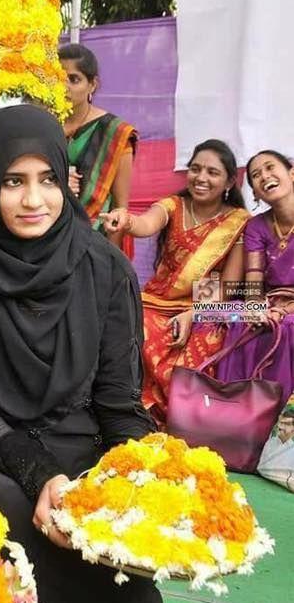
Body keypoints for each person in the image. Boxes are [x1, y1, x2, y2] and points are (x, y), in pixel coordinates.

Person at [0, 105, 214, 603]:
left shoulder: (104, 267)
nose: (33, 200)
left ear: (65, 180)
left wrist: (145, 475)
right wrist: (39, 475)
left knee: (113, 500)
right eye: (13, 182)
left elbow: (116, 400)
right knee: (5, 501)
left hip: (81, 447)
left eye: (47, 180)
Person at [102, 139, 248, 425]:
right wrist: (126, 221)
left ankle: (184, 423)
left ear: (230, 180)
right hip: (156, 301)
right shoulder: (174, 205)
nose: (201, 178)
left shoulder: (239, 221)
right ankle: (134, 416)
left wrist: (194, 313)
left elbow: (231, 288)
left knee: (207, 339)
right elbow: (145, 224)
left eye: (212, 172)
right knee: (135, 325)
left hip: (206, 306)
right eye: (195, 169)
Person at [216, 150, 294, 402]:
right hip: (264, 305)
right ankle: (237, 412)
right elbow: (252, 283)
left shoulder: (240, 221)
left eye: (271, 168)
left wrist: (284, 311)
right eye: (256, 176)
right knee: (220, 315)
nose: (264, 177)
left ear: (292, 173)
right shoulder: (255, 226)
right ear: (256, 194)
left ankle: (279, 419)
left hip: (288, 311)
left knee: (287, 326)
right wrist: (256, 308)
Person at [59, 42, 137, 253]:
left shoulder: (115, 132)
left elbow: (120, 208)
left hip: (94, 240)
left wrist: (110, 261)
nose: (64, 87)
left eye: (74, 79)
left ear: (93, 84)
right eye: (58, 79)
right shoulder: (42, 123)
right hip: (46, 234)